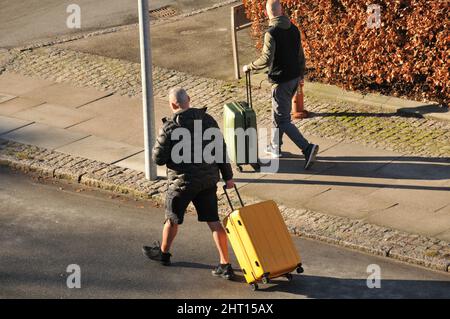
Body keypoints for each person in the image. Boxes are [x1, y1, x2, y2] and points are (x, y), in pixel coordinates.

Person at [142, 87, 236, 280]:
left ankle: (164, 253)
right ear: (189, 100)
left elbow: (158, 159)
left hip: (181, 183)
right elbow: (220, 149)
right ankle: (225, 264)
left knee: (172, 219)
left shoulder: (169, 128)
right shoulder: (208, 120)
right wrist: (228, 177)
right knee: (214, 222)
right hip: (207, 181)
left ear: (172, 104)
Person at [243, 0, 319, 169]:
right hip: (293, 79)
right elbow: (301, 56)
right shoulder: (294, 29)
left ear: (266, 13)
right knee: (278, 114)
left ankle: (307, 148)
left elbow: (266, 59)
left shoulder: (271, 33)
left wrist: (249, 66)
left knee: (282, 119)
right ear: (282, 10)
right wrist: (301, 75)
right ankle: (275, 147)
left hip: (281, 82)